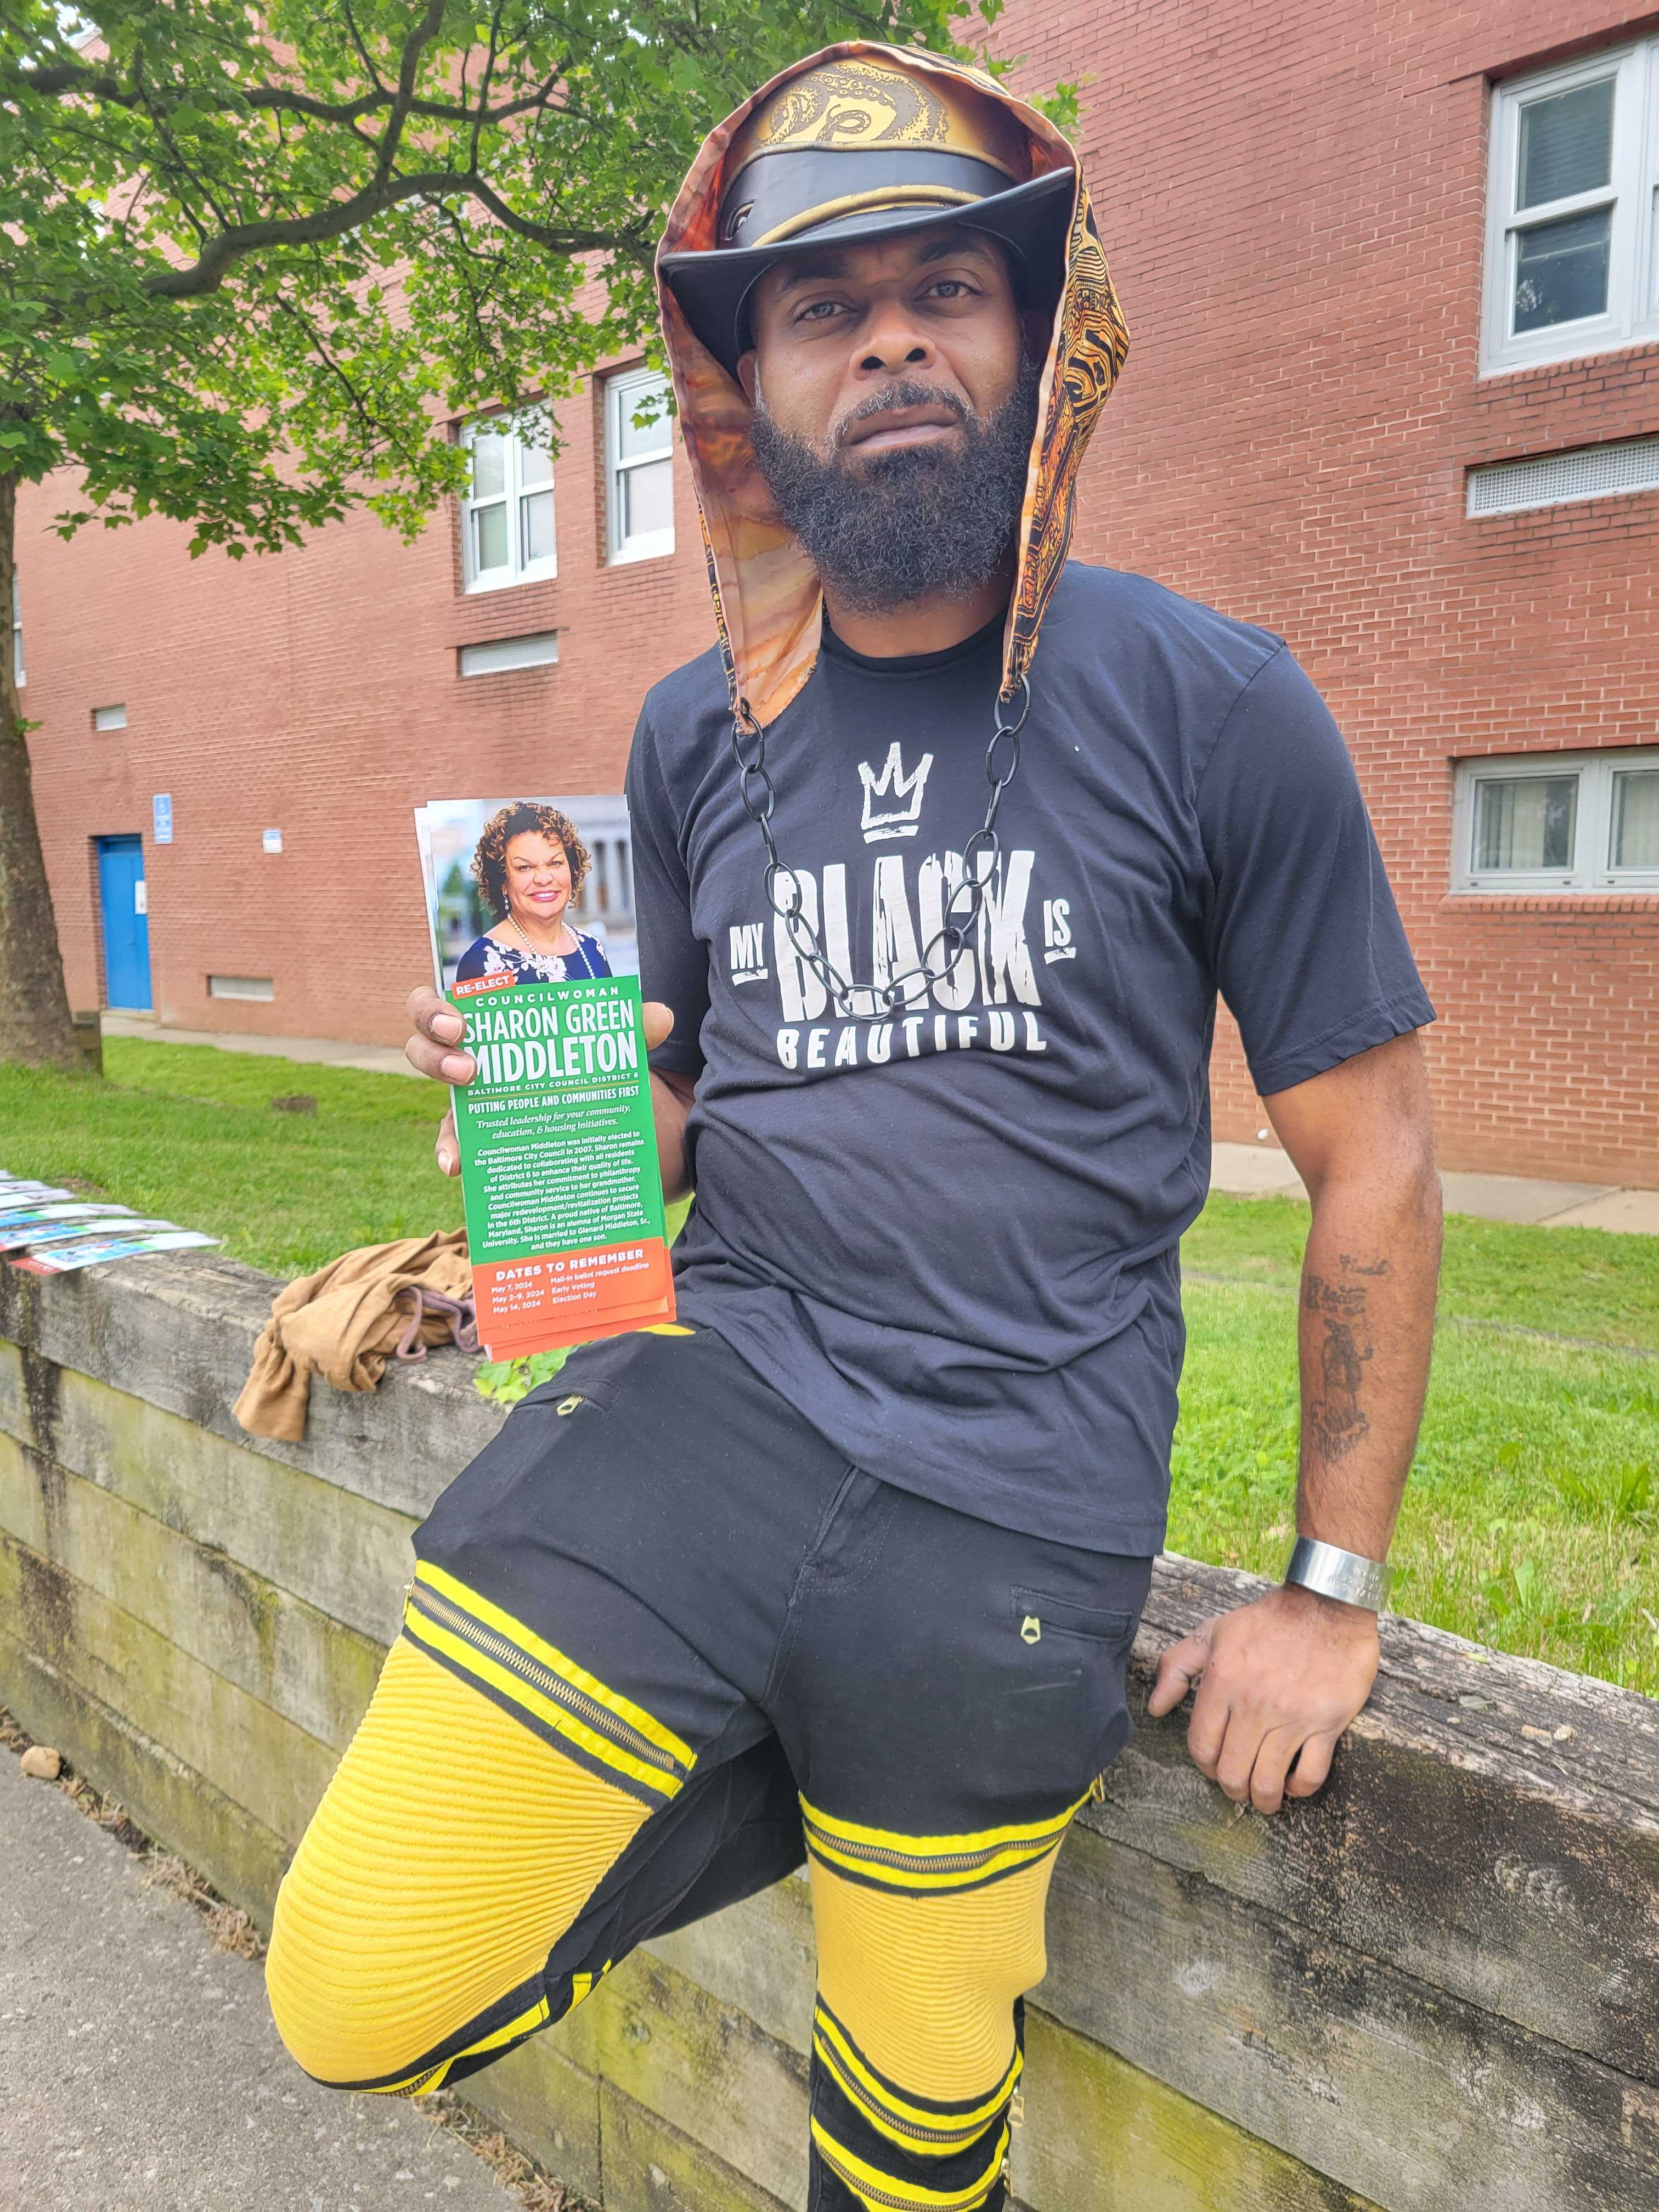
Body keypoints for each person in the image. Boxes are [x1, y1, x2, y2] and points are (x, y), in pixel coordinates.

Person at [268, 47, 1442, 2210]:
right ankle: (800, 1776)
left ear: (1032, 342)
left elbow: (1371, 1155)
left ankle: (860, 1816)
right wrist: (548, 1120)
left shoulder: (1220, 704)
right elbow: (699, 1073)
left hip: (1017, 1517)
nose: (892, 332)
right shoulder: (689, 724)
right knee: (356, 1989)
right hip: (702, 1412)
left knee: (907, 2158)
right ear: (746, 387)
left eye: (945, 290)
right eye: (824, 304)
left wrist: (1332, 1599)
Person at [454, 802, 611, 985]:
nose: (543, 879)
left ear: (572, 870)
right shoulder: (481, 963)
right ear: (503, 882)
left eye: (555, 863)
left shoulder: (592, 948)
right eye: (525, 867)